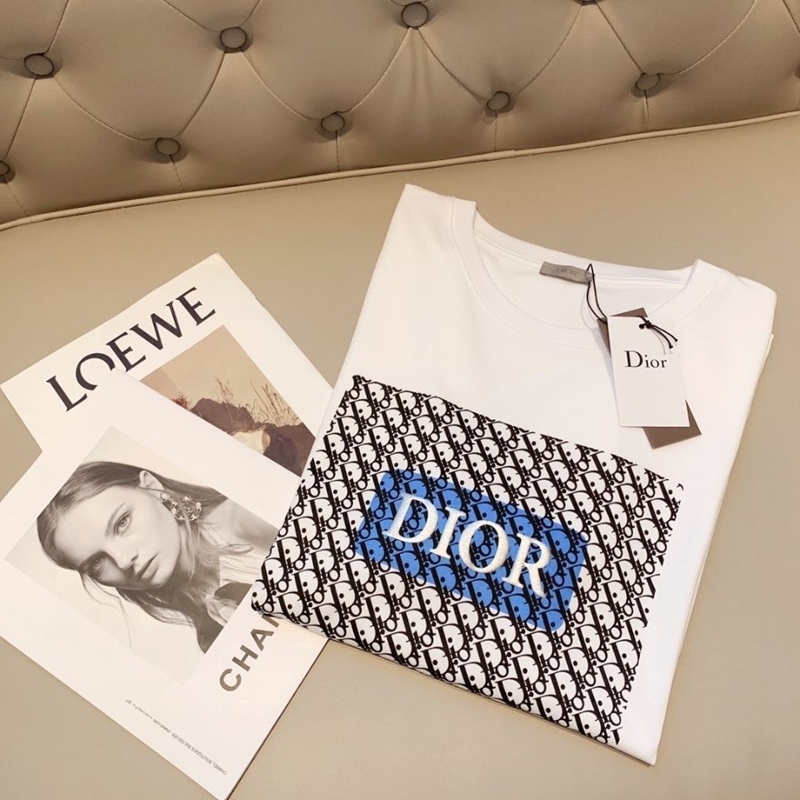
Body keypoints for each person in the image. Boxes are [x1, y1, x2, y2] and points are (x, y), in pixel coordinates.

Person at [36, 460, 277, 653]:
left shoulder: (249, 521)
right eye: (96, 562)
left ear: (153, 487)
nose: (123, 560)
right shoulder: (206, 620)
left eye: (122, 523)